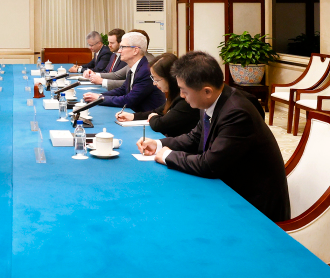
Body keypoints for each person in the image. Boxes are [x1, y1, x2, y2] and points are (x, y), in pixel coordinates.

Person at [137, 51, 290, 222]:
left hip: (253, 206)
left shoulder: (237, 113)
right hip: (230, 186)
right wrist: (158, 144)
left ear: (207, 91)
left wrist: (167, 155)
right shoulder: (212, 99)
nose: (181, 96)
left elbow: (209, 165)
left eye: (183, 91)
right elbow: (194, 137)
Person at [116, 53, 199, 137]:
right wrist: (132, 116)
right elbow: (157, 112)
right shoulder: (173, 95)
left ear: (170, 78)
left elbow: (160, 125)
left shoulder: (184, 100)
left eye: (157, 79)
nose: (154, 83)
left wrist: (153, 117)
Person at [83, 32, 165, 113]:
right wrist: (100, 95)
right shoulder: (135, 67)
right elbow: (122, 90)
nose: (119, 51)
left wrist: (100, 98)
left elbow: (129, 100)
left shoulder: (145, 71)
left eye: (122, 47)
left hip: (148, 119)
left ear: (135, 50)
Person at [89, 29, 156, 90]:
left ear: (136, 49)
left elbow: (129, 87)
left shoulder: (147, 64)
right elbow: (116, 75)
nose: (120, 51)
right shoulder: (134, 61)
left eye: (123, 47)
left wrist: (102, 81)